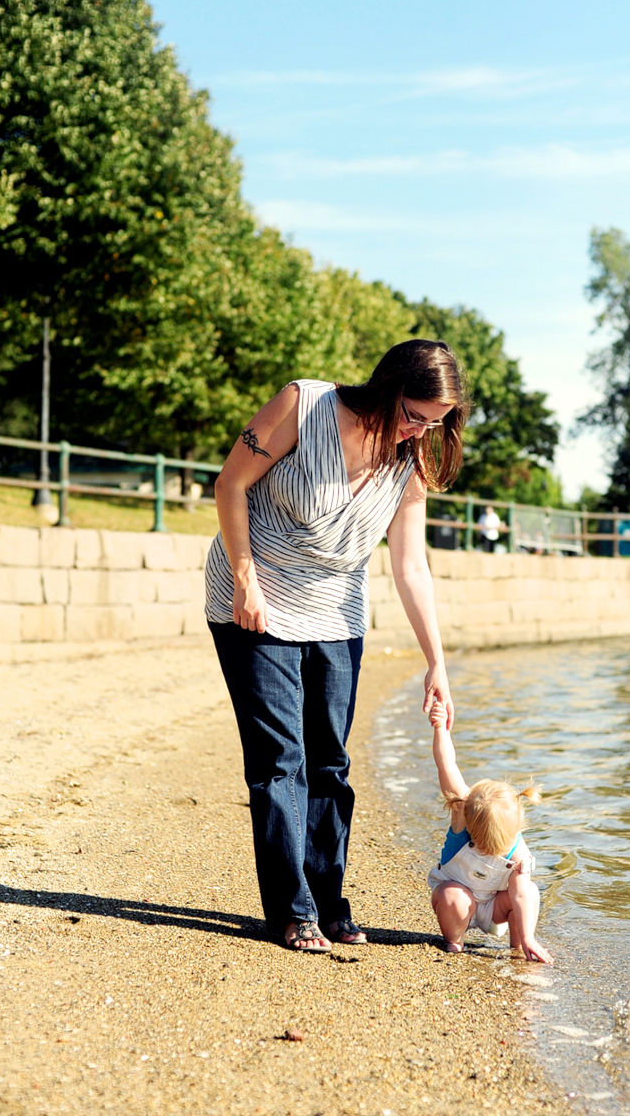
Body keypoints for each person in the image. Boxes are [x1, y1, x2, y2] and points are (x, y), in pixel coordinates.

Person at [205, 340, 467, 953]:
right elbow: (229, 484)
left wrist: (437, 663)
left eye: (433, 422)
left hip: (336, 610)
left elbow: (410, 566)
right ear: (387, 386)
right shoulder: (305, 404)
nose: (416, 431)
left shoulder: (411, 462)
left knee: (329, 761)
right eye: (412, 414)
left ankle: (328, 901)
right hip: (257, 593)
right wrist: (245, 580)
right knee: (280, 759)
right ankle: (292, 911)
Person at [426, 701, 553, 963]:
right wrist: (441, 729)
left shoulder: (518, 852)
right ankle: (455, 940)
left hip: (494, 907)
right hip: (460, 902)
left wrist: (529, 936)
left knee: (529, 892)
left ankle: (521, 944)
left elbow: (518, 895)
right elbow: (446, 766)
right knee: (452, 896)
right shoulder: (462, 818)